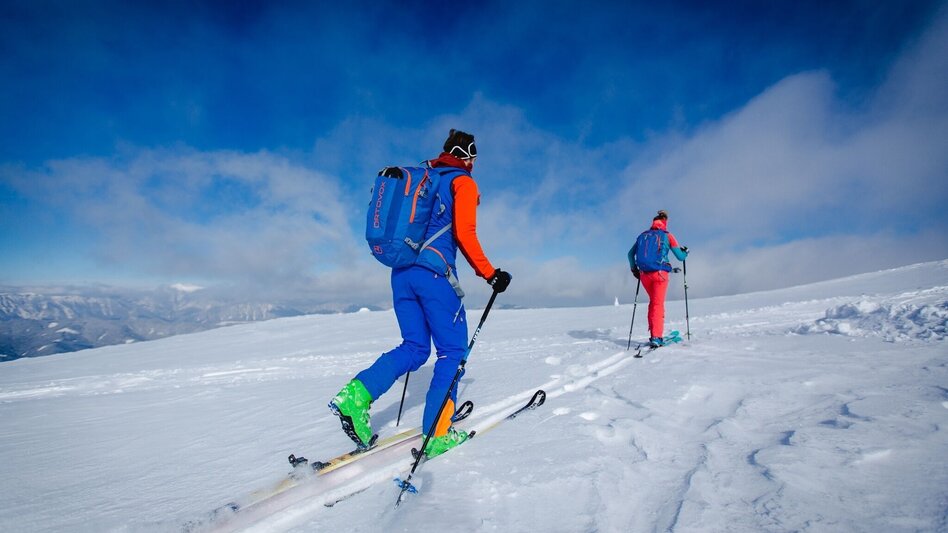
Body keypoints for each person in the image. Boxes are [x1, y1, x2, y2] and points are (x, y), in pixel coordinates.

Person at [329, 129, 512, 458]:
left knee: (414, 347)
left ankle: (354, 397)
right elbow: (465, 233)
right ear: (468, 157)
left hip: (401, 274)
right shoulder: (462, 183)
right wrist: (490, 273)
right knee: (452, 353)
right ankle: (438, 434)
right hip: (435, 275)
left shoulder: (423, 178)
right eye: (473, 158)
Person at [628, 210, 688, 347]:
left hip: (644, 275)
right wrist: (686, 253)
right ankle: (656, 336)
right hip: (660, 274)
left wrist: (634, 270)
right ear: (665, 222)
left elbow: (630, 255)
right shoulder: (667, 235)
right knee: (657, 304)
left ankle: (654, 334)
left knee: (653, 303)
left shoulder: (642, 236)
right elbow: (680, 257)